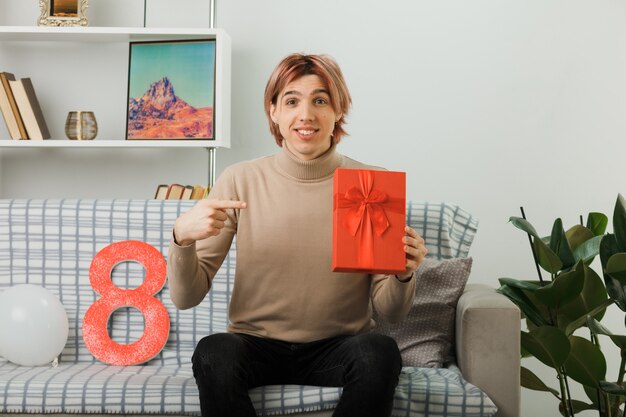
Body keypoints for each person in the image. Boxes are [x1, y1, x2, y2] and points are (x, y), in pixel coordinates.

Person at [167, 53, 428, 417]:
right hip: (255, 346)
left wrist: (403, 273)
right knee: (213, 351)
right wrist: (183, 239)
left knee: (379, 351)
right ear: (273, 111)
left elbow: (391, 312)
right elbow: (185, 297)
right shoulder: (240, 179)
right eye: (291, 101)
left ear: (339, 111)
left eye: (320, 100)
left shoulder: (372, 183)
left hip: (339, 348)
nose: (306, 114)